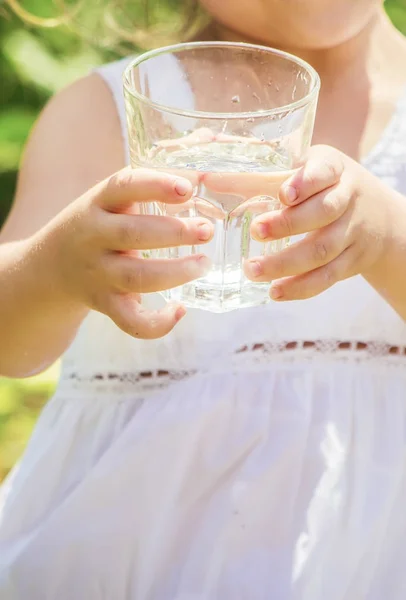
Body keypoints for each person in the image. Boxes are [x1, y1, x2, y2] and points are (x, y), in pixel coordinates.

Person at [1, 0, 406, 597]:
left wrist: (390, 239)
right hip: (130, 559)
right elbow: (12, 346)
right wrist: (54, 269)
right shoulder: (107, 111)